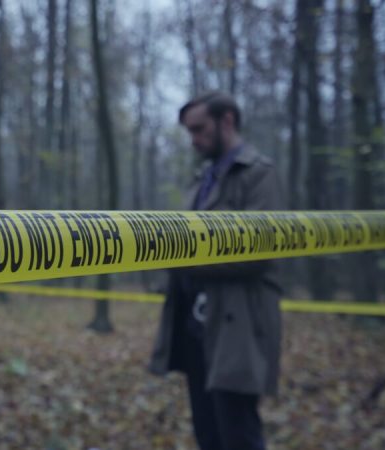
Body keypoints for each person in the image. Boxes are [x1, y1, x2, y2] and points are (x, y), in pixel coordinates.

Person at [149, 92, 284, 450]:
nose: (194, 139)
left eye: (200, 129)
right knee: (207, 433)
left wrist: (181, 257)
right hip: (196, 326)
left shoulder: (257, 174)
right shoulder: (203, 178)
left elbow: (259, 250)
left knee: (238, 433)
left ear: (227, 121)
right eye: (189, 131)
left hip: (237, 325)